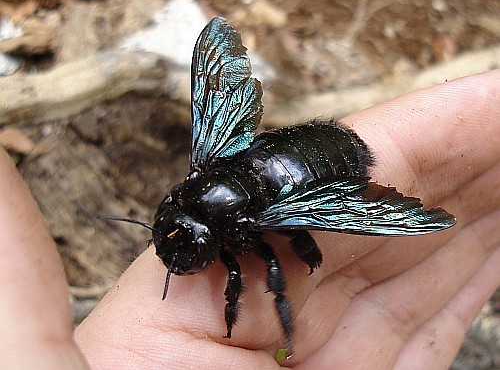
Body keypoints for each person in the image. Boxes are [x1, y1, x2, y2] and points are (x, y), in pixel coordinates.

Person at [0, 70, 498, 369]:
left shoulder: (253, 224)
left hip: (324, 165)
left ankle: (288, 320)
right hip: (298, 146)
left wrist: (293, 264)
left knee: (269, 267)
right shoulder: (207, 168)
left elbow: (251, 266)